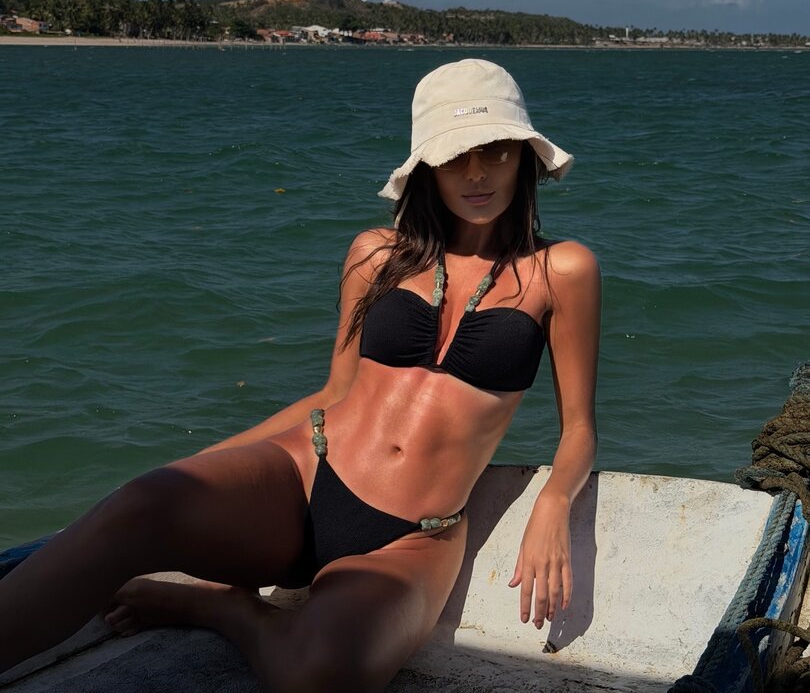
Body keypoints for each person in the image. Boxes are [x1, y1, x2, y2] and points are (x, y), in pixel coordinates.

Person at [0, 58, 600, 692]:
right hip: (306, 472)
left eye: (496, 152)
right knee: (140, 504)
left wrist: (552, 502)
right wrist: (194, 468)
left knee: (317, 677)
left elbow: (579, 430)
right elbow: (336, 392)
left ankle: (226, 608)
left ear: (524, 157)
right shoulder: (376, 254)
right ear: (427, 168)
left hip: (412, 537)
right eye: (455, 158)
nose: (476, 174)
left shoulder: (562, 271)